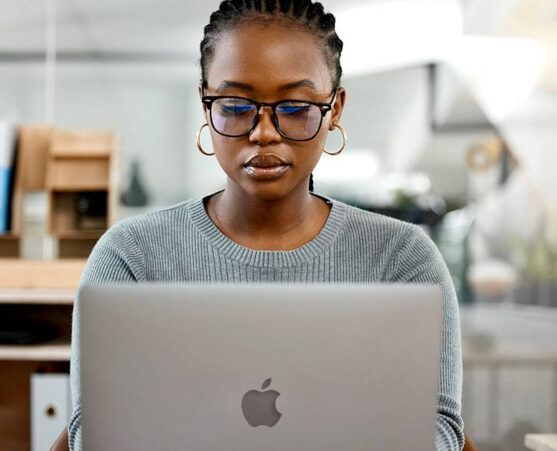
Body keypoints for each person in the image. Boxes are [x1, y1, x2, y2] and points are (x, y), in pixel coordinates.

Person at [58, 0, 464, 449]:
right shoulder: (131, 256)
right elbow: (93, 432)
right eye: (235, 105)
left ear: (335, 109)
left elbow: (439, 428)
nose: (264, 132)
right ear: (205, 104)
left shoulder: (401, 258)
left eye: (294, 107)